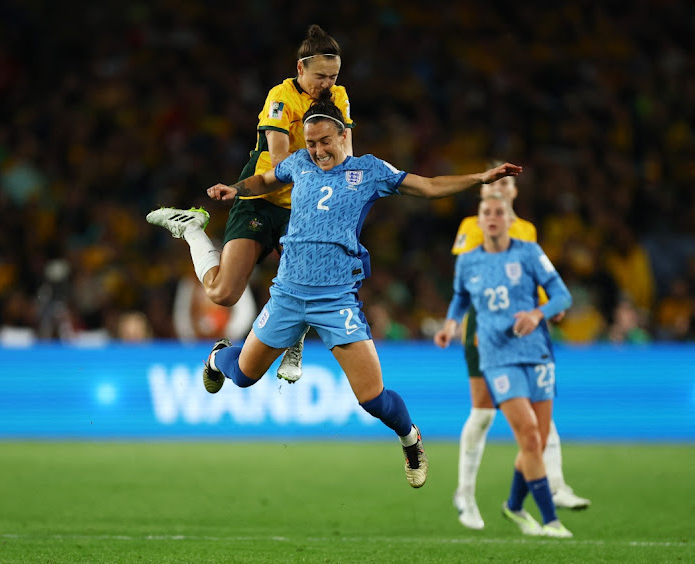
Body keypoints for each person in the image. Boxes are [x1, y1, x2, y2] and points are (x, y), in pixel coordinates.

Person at [148, 90, 522, 488]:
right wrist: (236, 189)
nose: (318, 150)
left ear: (343, 135)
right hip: (288, 294)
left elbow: (427, 186)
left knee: (373, 400)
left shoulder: (370, 171)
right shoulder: (299, 164)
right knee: (241, 376)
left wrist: (479, 178)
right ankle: (217, 357)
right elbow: (265, 179)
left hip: (335, 300)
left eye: (325, 141)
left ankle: (410, 439)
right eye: (310, 143)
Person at [148, 24, 353, 384]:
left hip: (304, 206)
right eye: (321, 76)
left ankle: (295, 344)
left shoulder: (339, 97)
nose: (328, 84)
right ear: (300, 69)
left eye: (334, 76)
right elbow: (277, 161)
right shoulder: (281, 97)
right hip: (262, 199)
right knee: (223, 293)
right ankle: (194, 230)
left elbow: (346, 155)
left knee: (312, 274)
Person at [446, 171, 590, 530]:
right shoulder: (473, 225)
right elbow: (471, 283)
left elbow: (532, 279)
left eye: (505, 182)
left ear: (515, 190)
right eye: (492, 184)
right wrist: (454, 322)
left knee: (538, 422)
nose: (498, 188)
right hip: (485, 330)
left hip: (528, 333)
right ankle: (465, 493)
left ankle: (553, 485)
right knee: (482, 415)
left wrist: (547, 307)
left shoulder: (526, 231)